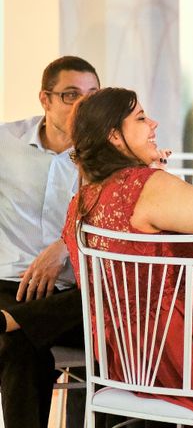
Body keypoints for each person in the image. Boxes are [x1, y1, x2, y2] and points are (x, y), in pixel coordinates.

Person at [61, 87, 193, 427]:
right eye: (141, 118)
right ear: (115, 136)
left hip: (127, 357)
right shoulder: (143, 185)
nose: (154, 123)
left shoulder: (83, 199)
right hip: (180, 348)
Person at [0, 55, 100, 428]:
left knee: (116, 320)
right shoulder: (4, 144)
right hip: (10, 284)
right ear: (45, 99)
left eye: (91, 95)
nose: (82, 105)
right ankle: (12, 321)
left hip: (74, 296)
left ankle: (8, 323)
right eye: (71, 95)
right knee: (20, 348)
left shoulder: (108, 155)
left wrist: (64, 246)